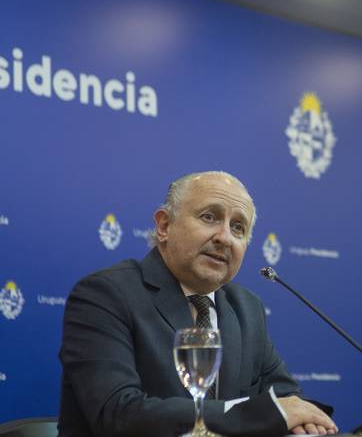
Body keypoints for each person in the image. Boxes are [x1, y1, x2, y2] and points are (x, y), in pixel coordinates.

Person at [59, 171, 337, 436]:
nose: (224, 237)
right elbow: (118, 413)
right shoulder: (105, 294)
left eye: (238, 227)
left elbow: (288, 400)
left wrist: (299, 419)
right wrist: (254, 414)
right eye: (209, 217)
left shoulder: (247, 309)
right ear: (164, 225)